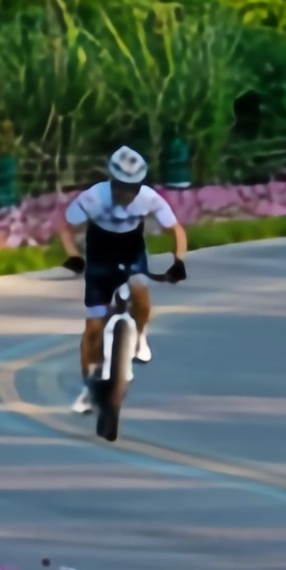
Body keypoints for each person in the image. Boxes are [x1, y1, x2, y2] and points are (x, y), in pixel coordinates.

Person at [59, 146, 188, 413]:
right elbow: (66, 227)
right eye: (121, 187)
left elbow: (176, 229)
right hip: (99, 255)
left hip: (132, 251)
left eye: (133, 188)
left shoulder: (149, 198)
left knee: (141, 293)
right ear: (111, 182)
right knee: (93, 329)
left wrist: (179, 261)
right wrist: (72, 255)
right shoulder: (93, 197)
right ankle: (88, 388)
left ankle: (140, 335)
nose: (127, 195)